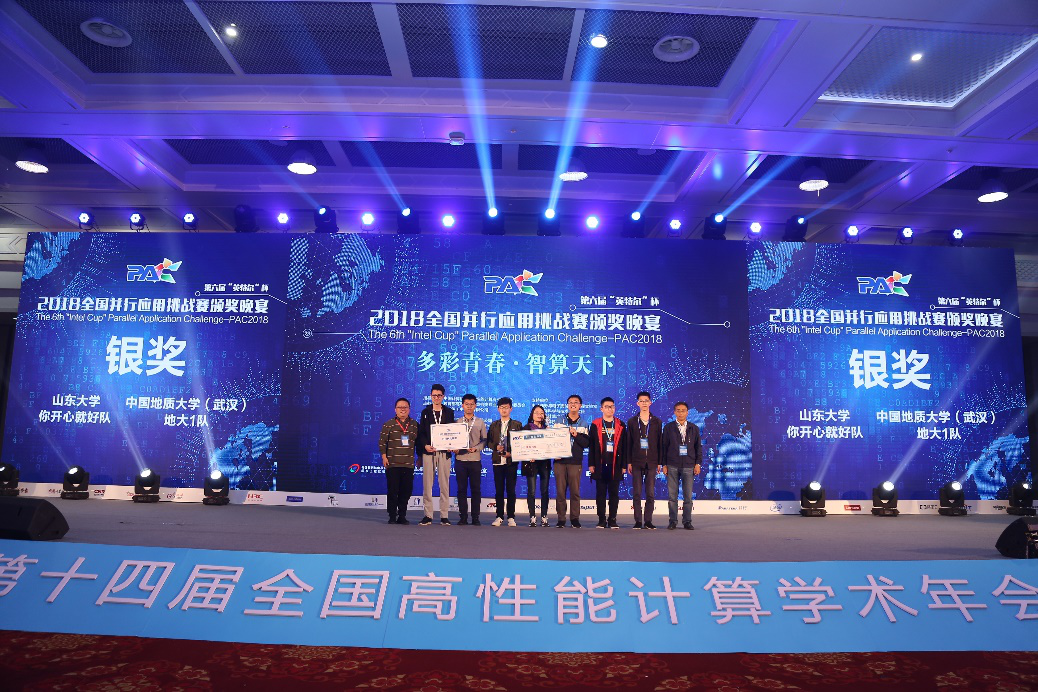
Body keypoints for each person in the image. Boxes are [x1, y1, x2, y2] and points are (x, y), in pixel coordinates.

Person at [416, 384, 456, 526]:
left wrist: (451, 445)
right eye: (434, 395)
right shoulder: (425, 412)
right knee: (428, 484)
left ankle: (444, 515)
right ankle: (428, 515)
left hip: (444, 452)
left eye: (439, 395)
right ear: (431, 396)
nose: (436, 398)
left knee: (444, 484)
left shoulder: (449, 412)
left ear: (443, 396)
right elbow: (421, 433)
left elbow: (452, 431)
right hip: (429, 451)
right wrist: (425, 445)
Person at [661, 401, 702, 530]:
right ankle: (672, 521)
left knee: (688, 496)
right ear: (674, 412)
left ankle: (687, 521)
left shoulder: (694, 428)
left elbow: (698, 448)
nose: (680, 413)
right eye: (678, 410)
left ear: (687, 412)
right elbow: (664, 447)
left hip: (689, 465)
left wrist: (698, 463)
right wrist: (664, 464)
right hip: (672, 465)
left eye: (683, 410)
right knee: (672, 497)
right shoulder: (668, 428)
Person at [627, 391, 664, 530]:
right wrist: (629, 462)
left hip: (652, 462)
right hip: (636, 461)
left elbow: (660, 443)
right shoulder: (632, 421)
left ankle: (648, 521)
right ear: (637, 403)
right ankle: (638, 521)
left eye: (646, 401)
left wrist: (660, 462)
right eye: (641, 401)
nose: (644, 403)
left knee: (650, 493)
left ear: (650, 403)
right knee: (636, 493)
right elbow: (629, 443)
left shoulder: (657, 421)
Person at [378, 398, 419, 524]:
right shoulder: (388, 424)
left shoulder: (414, 425)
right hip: (392, 463)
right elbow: (382, 442)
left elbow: (418, 443)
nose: (403, 409)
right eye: (400, 407)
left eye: (405, 407)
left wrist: (420, 458)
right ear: (395, 409)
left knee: (406, 491)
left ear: (409, 409)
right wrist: (384, 457)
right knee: (393, 491)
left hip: (408, 464)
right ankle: (392, 515)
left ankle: (402, 515)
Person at [588, 397, 627, 530]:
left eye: (612, 406)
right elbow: (592, 446)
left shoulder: (621, 425)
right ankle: (601, 520)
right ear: (601, 409)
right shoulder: (595, 424)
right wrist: (591, 464)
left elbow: (624, 446)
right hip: (600, 464)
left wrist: (624, 465)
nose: (610, 409)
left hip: (615, 465)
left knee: (614, 494)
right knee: (600, 494)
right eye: (607, 407)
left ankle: (612, 519)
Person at [553, 394, 590, 528]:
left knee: (575, 492)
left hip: (575, 462)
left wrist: (576, 435)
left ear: (580, 406)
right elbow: (552, 439)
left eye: (576, 402)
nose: (573, 404)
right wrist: (554, 453)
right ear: (567, 405)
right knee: (560, 492)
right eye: (570, 402)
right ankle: (561, 519)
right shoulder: (559, 420)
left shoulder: (584, 423)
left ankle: (575, 518)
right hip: (560, 461)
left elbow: (586, 443)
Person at [486, 397, 524, 526]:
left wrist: (511, 453)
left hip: (511, 462)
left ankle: (511, 517)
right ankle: (499, 516)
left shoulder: (517, 425)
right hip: (497, 461)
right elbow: (488, 442)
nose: (504, 410)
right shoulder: (494, 425)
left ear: (511, 409)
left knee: (511, 490)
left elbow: (520, 443)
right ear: (498, 409)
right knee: (499, 490)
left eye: (506, 407)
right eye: (501, 407)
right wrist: (495, 447)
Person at [454, 393, 486, 526]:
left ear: (475, 406)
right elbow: (453, 440)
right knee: (461, 489)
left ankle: (475, 517)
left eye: (471, 404)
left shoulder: (480, 422)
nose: (469, 406)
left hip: (475, 460)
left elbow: (484, 440)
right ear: (462, 405)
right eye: (466, 404)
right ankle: (463, 517)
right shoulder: (457, 422)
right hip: (460, 459)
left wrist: (476, 448)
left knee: (475, 490)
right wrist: (454, 448)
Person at [522, 405, 553, 527]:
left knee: (544, 491)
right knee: (532, 491)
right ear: (532, 415)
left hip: (544, 463)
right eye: (537, 413)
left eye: (542, 413)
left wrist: (551, 435)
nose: (539, 415)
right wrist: (528, 455)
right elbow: (521, 445)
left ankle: (544, 516)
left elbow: (552, 446)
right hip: (532, 463)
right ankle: (532, 517)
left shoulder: (548, 429)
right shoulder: (527, 428)